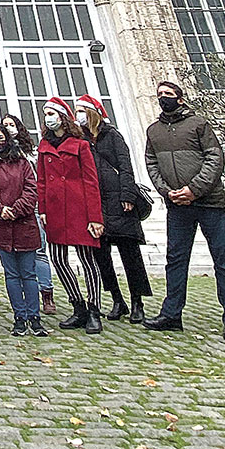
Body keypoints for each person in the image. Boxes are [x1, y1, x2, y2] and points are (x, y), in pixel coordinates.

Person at [144, 80, 225, 340]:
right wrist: (167, 191)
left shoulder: (198, 124)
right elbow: (151, 162)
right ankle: (172, 313)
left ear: (180, 98)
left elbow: (214, 158)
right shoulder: (154, 130)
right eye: (160, 94)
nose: (164, 98)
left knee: (222, 259)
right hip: (177, 205)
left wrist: (194, 189)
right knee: (175, 260)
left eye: (169, 94)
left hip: (209, 202)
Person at [75, 94, 151, 324]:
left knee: (130, 253)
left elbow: (126, 166)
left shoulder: (112, 136)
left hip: (118, 200)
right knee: (102, 255)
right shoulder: (82, 140)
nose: (77, 114)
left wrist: (127, 195)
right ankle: (117, 298)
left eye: (81, 110)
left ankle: (137, 300)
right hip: (96, 201)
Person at [37, 96, 105, 334]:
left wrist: (95, 217)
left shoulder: (80, 145)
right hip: (55, 211)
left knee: (87, 261)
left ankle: (94, 308)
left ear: (63, 118)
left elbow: (91, 181)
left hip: (79, 209)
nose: (48, 119)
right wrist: (42, 209)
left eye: (52, 114)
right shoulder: (44, 146)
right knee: (58, 258)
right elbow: (42, 181)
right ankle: (78, 305)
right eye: (46, 115)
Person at [0, 123, 48, 337]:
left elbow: (31, 189)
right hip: (1, 225)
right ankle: (19, 317)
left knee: (28, 273)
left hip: (24, 224)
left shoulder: (22, 163)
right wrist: (0, 209)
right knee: (12, 274)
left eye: (1, 137)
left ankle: (34, 317)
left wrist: (16, 210)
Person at [2, 113, 55, 314]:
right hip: (12, 205)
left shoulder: (31, 152)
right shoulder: (1, 154)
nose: (8, 128)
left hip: (32, 204)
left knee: (39, 250)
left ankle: (46, 293)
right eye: (5, 125)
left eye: (11, 124)